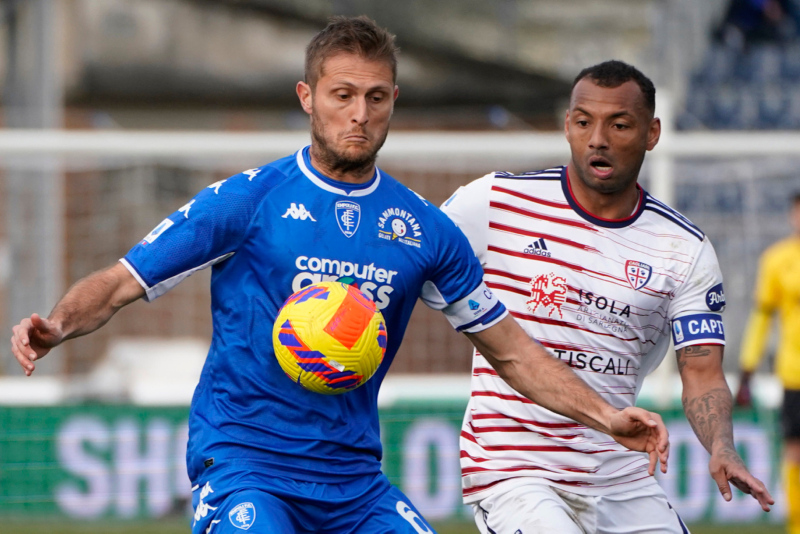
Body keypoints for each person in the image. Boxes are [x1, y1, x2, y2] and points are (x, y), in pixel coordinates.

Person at [10, 19, 668, 534]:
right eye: (342, 95)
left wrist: (606, 416)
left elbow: (514, 352)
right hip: (246, 466)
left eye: (375, 98)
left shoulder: (423, 231)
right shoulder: (249, 200)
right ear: (308, 97)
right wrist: (58, 324)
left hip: (352, 481)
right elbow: (124, 279)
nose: (359, 114)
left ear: (393, 102)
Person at [441, 59, 774, 534]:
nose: (597, 138)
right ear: (567, 126)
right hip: (515, 470)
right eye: (583, 122)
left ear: (651, 133)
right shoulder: (494, 202)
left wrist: (722, 446)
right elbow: (410, 261)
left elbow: (702, 373)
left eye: (619, 124)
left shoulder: (684, 249)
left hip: (619, 476)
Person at [736, 192, 800, 534]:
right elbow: (761, 319)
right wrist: (747, 370)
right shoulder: (777, 260)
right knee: (795, 453)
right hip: (794, 375)